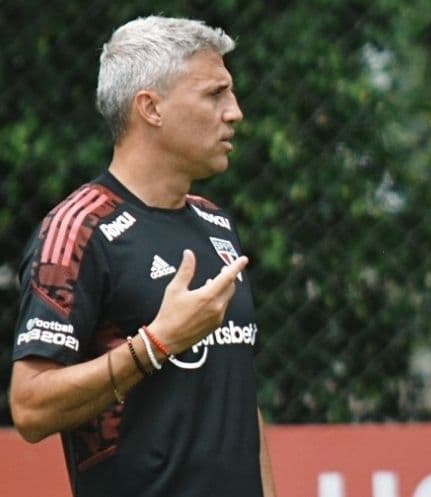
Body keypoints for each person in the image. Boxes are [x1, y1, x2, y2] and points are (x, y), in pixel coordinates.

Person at [9, 16, 276, 497]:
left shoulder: (217, 225)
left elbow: (238, 399)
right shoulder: (80, 229)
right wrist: (155, 345)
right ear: (150, 108)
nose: (234, 112)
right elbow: (29, 406)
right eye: (215, 94)